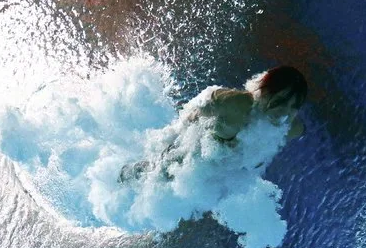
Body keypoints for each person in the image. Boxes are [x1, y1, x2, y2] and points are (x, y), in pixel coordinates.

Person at [119, 65, 308, 182]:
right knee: (157, 174)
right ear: (265, 91)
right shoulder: (237, 105)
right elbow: (201, 108)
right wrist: (179, 136)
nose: (284, 111)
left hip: (222, 169)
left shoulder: (292, 128)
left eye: (293, 106)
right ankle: (125, 174)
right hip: (195, 150)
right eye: (280, 101)